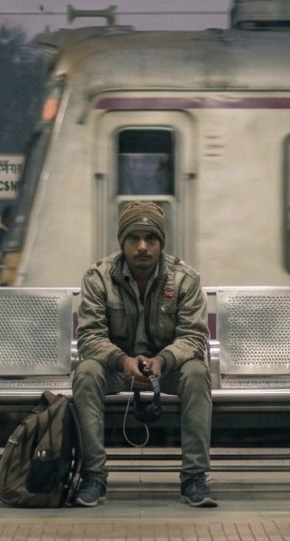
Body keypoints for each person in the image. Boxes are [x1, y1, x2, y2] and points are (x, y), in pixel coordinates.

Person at [67, 198, 214, 508]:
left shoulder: (185, 279)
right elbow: (90, 336)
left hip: (168, 370)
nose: (143, 246)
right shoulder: (99, 279)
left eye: (151, 239)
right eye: (134, 238)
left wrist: (163, 360)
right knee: (87, 373)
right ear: (123, 243)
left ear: (161, 243)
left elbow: (194, 336)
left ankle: (194, 478)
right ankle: (94, 476)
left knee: (197, 373)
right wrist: (123, 361)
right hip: (118, 369)